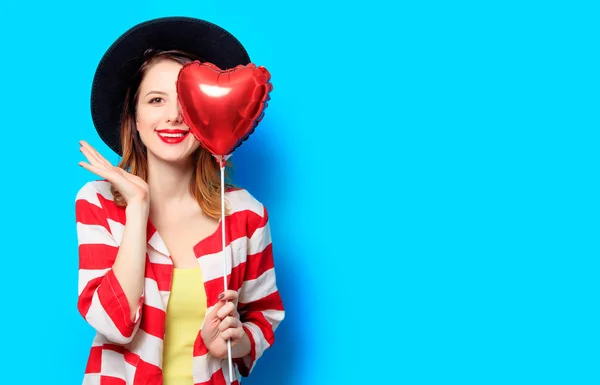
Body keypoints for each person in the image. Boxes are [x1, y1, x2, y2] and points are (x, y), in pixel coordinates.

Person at [74, 17, 285, 385]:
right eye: (156, 100)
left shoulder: (246, 215)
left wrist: (230, 343)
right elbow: (114, 325)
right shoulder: (98, 203)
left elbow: (263, 318)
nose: (173, 115)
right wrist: (138, 208)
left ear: (209, 114)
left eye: (186, 101)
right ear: (134, 117)